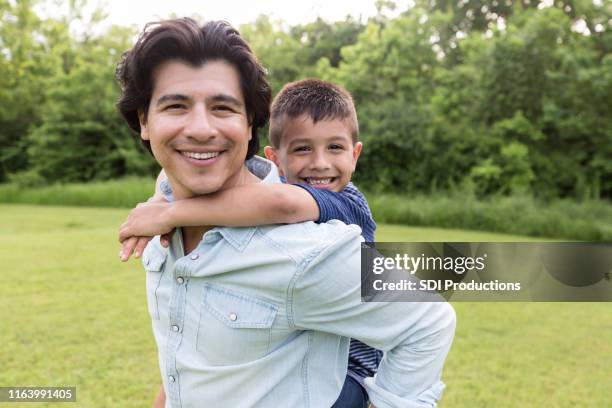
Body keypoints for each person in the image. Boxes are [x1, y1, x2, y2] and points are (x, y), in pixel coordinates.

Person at [116, 17, 455, 408]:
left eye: (222, 108)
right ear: (144, 121)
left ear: (249, 126)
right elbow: (184, 357)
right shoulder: (159, 212)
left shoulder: (300, 249)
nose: (200, 128)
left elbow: (428, 320)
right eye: (176, 105)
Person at [120, 78, 380, 407]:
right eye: (302, 148)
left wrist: (170, 213)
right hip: (297, 342)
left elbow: (281, 204)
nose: (320, 163)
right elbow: (181, 173)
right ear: (276, 158)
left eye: (335, 147)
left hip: (351, 370)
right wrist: (161, 196)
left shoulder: (348, 203)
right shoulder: (276, 183)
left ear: (355, 154)